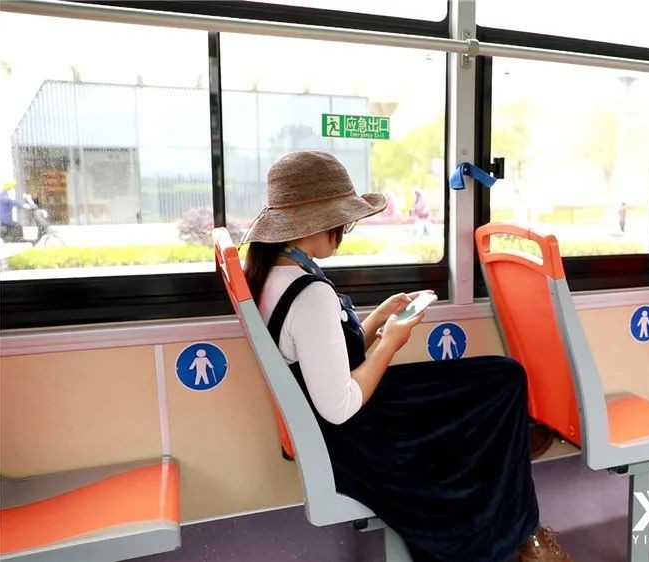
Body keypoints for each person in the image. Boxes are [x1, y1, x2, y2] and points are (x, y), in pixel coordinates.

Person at [242, 151, 570, 562]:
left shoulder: (275, 276)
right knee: (502, 383)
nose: (344, 231)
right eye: (343, 222)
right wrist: (389, 343)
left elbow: (323, 358)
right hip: (358, 437)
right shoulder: (309, 294)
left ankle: (510, 461)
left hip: (347, 422)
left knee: (500, 378)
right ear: (319, 222)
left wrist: (378, 318)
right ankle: (519, 521)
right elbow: (339, 405)